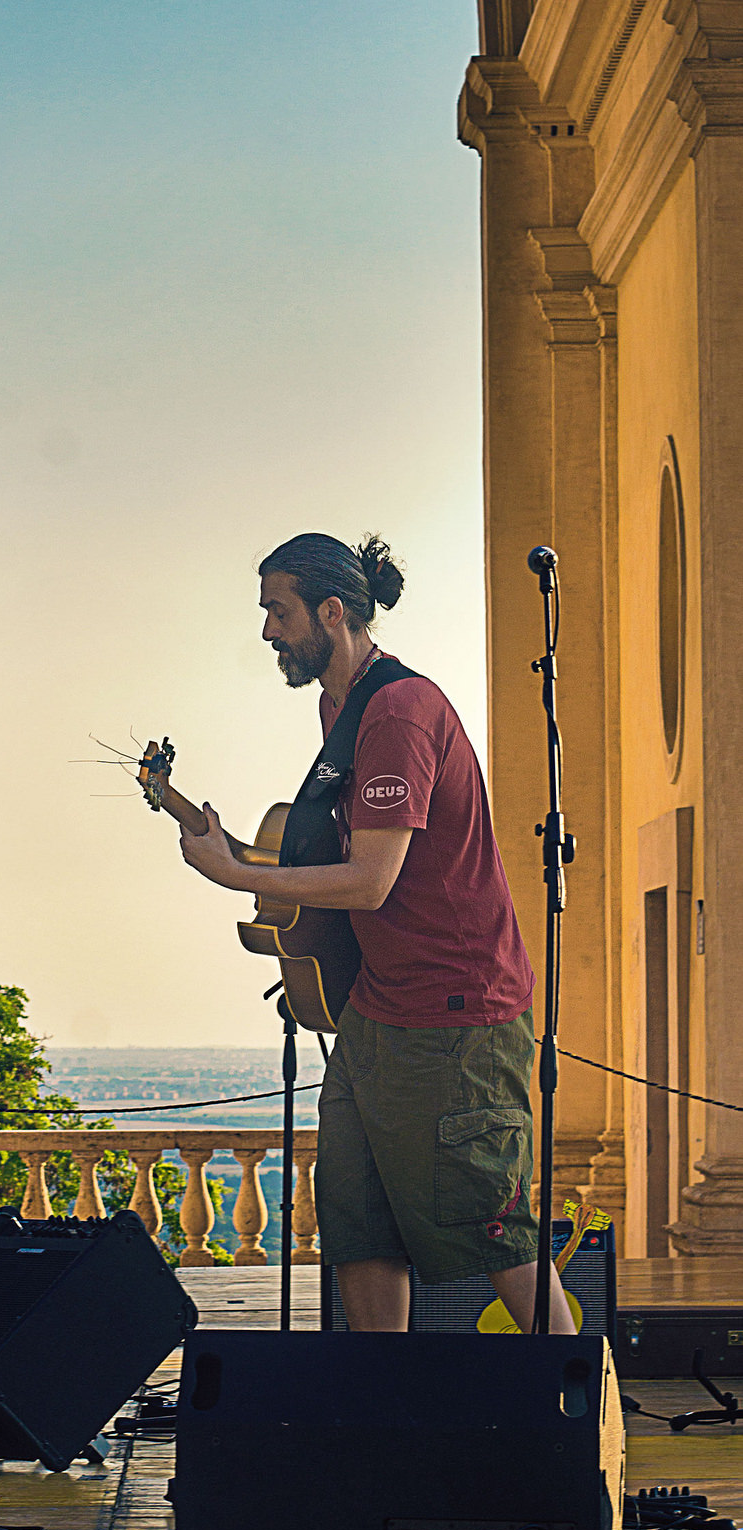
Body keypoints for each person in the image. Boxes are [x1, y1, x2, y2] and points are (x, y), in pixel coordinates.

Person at [149, 532, 574, 1335]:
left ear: (331, 611)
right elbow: (340, 859)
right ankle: (387, 1414)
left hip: (455, 1013)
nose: (268, 631)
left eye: (277, 611)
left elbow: (369, 881)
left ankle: (585, 1411)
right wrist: (231, 848)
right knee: (356, 1228)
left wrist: (236, 876)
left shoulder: (400, 714)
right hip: (378, 1010)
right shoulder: (337, 707)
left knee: (494, 1226)